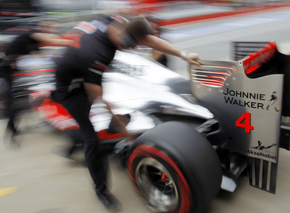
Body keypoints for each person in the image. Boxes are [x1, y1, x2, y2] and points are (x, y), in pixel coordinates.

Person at [51, 14, 201, 211]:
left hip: (83, 65)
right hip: (71, 87)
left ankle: (76, 141)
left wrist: (183, 54)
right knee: (92, 137)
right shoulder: (98, 55)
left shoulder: (116, 20)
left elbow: (147, 38)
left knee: (121, 110)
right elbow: (98, 96)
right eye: (133, 47)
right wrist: (124, 130)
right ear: (123, 40)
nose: (137, 49)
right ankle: (101, 190)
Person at [0, 18, 70, 146]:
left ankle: (15, 127)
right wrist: (72, 41)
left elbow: (43, 56)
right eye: (50, 28)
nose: (52, 31)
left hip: (13, 71)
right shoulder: (31, 33)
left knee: (18, 101)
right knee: (11, 102)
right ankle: (11, 134)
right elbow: (53, 40)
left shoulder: (34, 42)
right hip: (4, 70)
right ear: (42, 27)